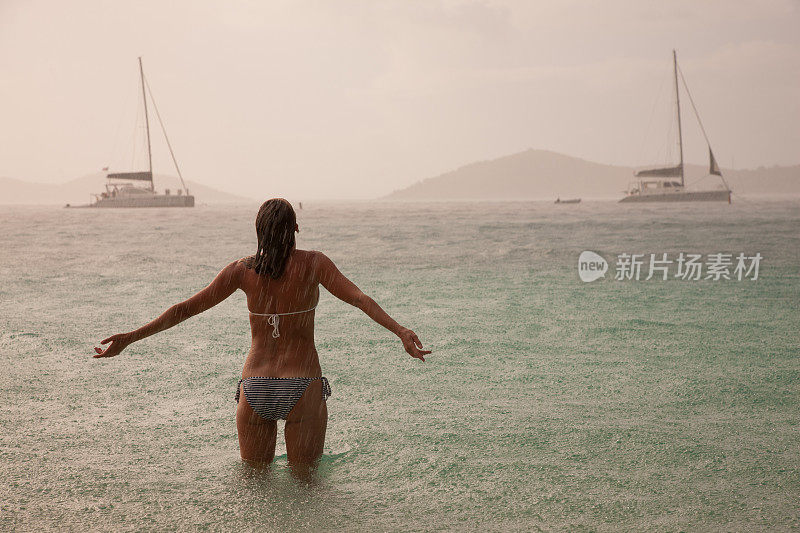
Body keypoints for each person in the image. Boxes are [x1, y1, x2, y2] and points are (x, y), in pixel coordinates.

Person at [93, 198, 430, 474]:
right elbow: (358, 298)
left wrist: (130, 338)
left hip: (255, 387)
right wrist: (399, 331)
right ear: (295, 228)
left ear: (259, 231)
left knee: (254, 490)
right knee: (306, 488)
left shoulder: (242, 270)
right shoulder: (314, 264)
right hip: (302, 384)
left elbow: (184, 309)